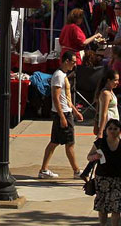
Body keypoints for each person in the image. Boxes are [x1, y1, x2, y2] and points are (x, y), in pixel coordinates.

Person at [39, 50, 84, 179]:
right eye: (73, 62)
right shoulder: (59, 76)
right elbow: (56, 98)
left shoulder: (63, 75)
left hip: (66, 111)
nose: (74, 65)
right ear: (66, 61)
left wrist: (75, 111)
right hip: (62, 113)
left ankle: (44, 169)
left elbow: (66, 98)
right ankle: (76, 171)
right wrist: (63, 117)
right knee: (70, 143)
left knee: (54, 142)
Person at [86, 118, 121, 226]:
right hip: (102, 178)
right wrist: (95, 156)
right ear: (106, 130)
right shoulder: (100, 142)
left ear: (120, 131)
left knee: (116, 207)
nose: (112, 131)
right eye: (110, 128)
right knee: (102, 206)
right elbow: (89, 157)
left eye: (115, 129)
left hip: (117, 178)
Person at [95, 70, 120, 139]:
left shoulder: (110, 91)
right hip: (108, 128)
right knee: (101, 149)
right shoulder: (106, 94)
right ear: (108, 80)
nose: (117, 82)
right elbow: (104, 113)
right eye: (115, 80)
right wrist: (100, 132)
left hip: (114, 126)